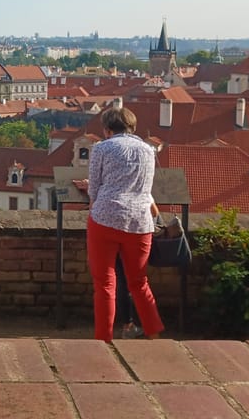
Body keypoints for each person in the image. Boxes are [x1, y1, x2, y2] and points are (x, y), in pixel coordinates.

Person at [87, 106, 164, 342]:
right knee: (139, 282)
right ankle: (154, 335)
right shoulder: (149, 150)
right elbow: (145, 188)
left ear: (107, 129)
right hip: (140, 221)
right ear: (132, 127)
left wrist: (96, 201)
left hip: (106, 218)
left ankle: (104, 338)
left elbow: (94, 188)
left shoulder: (102, 147)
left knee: (105, 284)